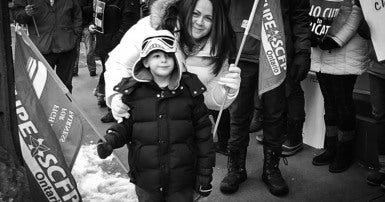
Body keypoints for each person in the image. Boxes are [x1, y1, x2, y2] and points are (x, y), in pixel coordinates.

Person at [96, 30, 215, 201]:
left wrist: (204, 176)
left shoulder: (190, 92)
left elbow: (204, 138)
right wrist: (110, 140)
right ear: (145, 61)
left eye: (168, 55)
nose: (164, 60)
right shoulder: (134, 93)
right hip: (147, 182)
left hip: (182, 181)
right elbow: (126, 126)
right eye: (156, 55)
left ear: (175, 59)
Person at [220, 0, 311, 196]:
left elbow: (300, 14)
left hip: (276, 54)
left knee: (275, 117)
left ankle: (271, 170)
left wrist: (303, 50)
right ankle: (236, 169)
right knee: (238, 116)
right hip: (241, 51)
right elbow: (221, 10)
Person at [103, 0, 240, 124]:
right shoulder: (150, 28)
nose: (199, 22)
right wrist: (116, 97)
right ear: (185, 9)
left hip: (185, 130)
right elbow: (118, 63)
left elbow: (209, 100)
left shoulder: (218, 47)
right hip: (144, 125)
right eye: (195, 14)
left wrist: (227, 91)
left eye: (208, 18)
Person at [311, 0, 370, 173]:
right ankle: (331, 148)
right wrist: (313, 34)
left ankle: (345, 151)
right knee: (329, 103)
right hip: (322, 47)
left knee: (343, 104)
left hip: (345, 49)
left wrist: (337, 39)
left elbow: (357, 13)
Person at [13, 0, 82, 93]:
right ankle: (48, 107)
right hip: (41, 48)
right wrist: (25, 13)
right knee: (43, 87)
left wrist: (76, 35)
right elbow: (17, 15)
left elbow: (77, 14)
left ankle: (65, 107)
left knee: (65, 85)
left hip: (67, 45)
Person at [88, 0, 141, 121]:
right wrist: (93, 24)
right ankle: (108, 101)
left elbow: (129, 25)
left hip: (117, 47)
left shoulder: (128, 3)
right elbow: (98, 15)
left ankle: (116, 111)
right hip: (103, 44)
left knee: (118, 77)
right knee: (108, 74)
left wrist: (113, 43)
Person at [355, 1, 385, 189]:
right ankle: (383, 168)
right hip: (377, 67)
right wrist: (362, 7)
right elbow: (366, 32)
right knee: (380, 117)